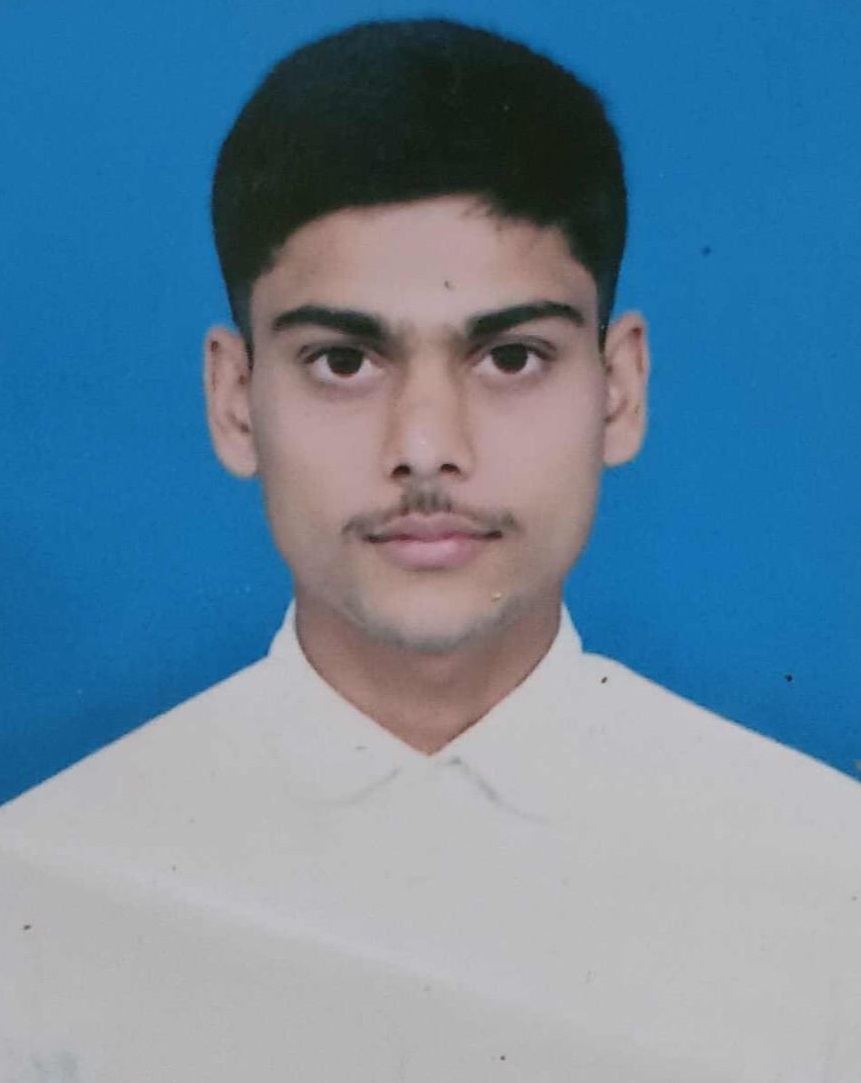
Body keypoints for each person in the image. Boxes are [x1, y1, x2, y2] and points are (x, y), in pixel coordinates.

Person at [1, 18, 858, 1083]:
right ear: (234, 398)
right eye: (343, 361)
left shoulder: (830, 885)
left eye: (511, 356)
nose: (424, 446)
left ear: (619, 389)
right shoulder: (37, 903)